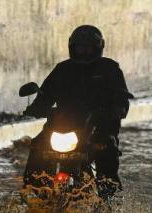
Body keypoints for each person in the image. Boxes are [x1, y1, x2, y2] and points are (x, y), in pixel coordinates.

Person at [23, 25, 133, 198]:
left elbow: (122, 97)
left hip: (97, 126)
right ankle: (32, 192)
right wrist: (36, 107)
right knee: (37, 145)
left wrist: (117, 109)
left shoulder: (109, 69)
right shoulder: (62, 70)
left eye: (88, 47)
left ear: (97, 47)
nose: (84, 51)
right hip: (62, 125)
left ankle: (108, 200)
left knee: (107, 148)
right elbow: (46, 94)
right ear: (72, 47)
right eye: (80, 47)